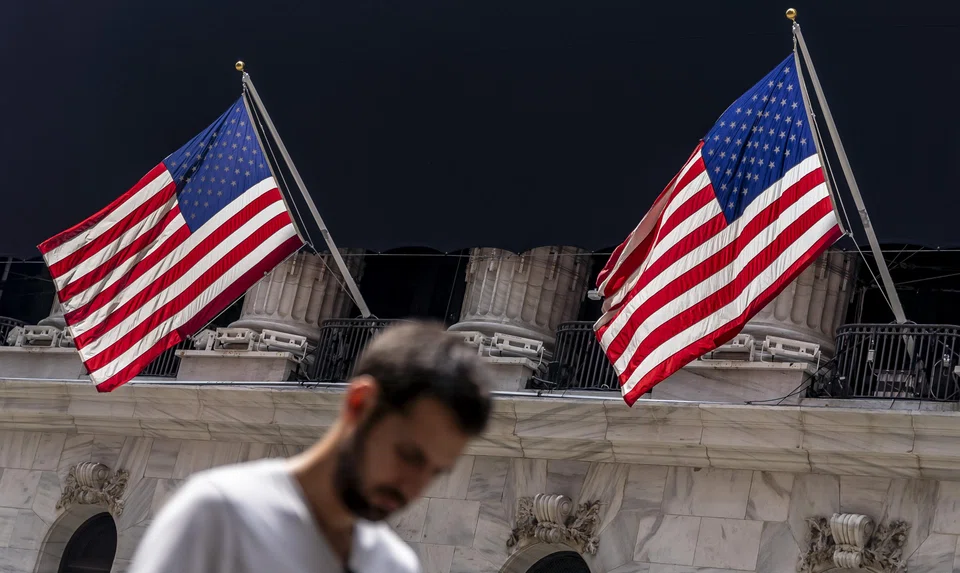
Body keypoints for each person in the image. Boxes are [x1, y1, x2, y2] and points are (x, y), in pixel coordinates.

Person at [128, 320, 493, 573]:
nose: (414, 487)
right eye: (409, 455)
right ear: (360, 405)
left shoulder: (394, 565)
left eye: (435, 472)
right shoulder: (221, 513)